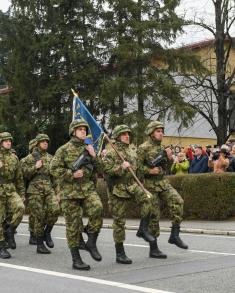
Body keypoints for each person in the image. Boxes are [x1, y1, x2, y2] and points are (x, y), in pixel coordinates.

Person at [102, 125, 165, 265]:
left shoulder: (132, 152)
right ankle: (120, 253)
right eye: (123, 134)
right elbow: (106, 172)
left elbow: (138, 170)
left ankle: (142, 229)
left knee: (149, 200)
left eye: (128, 134)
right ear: (117, 136)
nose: (127, 136)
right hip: (118, 188)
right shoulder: (112, 153)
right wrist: (120, 168)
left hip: (132, 185)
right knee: (119, 221)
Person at [50, 120, 103, 271]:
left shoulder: (89, 148)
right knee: (73, 226)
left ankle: (91, 241)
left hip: (87, 188)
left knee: (98, 208)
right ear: (73, 131)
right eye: (79, 129)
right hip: (69, 192)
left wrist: (94, 156)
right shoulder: (64, 149)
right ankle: (76, 259)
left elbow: (101, 169)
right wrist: (71, 174)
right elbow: (53, 169)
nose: (83, 131)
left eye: (84, 129)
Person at [137, 121, 188, 250]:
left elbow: (166, 168)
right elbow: (136, 168)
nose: (161, 134)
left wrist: (169, 159)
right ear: (151, 133)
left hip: (163, 183)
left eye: (162, 131)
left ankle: (174, 235)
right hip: (149, 185)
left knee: (178, 202)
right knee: (154, 216)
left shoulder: (162, 148)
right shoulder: (143, 148)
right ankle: (154, 248)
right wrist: (149, 171)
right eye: (158, 131)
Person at [21, 134, 60, 254]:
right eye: (43, 142)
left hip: (48, 189)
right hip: (35, 190)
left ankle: (47, 232)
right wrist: (35, 167)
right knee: (39, 216)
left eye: (46, 142)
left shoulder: (51, 158)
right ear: (37, 143)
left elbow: (55, 176)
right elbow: (23, 175)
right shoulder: (28, 158)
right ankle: (39, 244)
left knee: (55, 209)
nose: (45, 143)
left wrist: (58, 192)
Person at [0, 132, 25, 259]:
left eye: (10, 141)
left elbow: (19, 178)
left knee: (20, 207)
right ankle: (1, 247)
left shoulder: (14, 158)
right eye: (6, 141)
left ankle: (10, 230)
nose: (8, 142)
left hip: (10, 189)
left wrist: (22, 194)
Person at [20, 138, 38, 245]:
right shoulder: (25, 160)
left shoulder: (45, 158)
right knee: (34, 213)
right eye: (34, 147)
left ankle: (41, 233)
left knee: (43, 213)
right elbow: (23, 177)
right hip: (31, 190)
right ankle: (33, 235)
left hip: (46, 190)